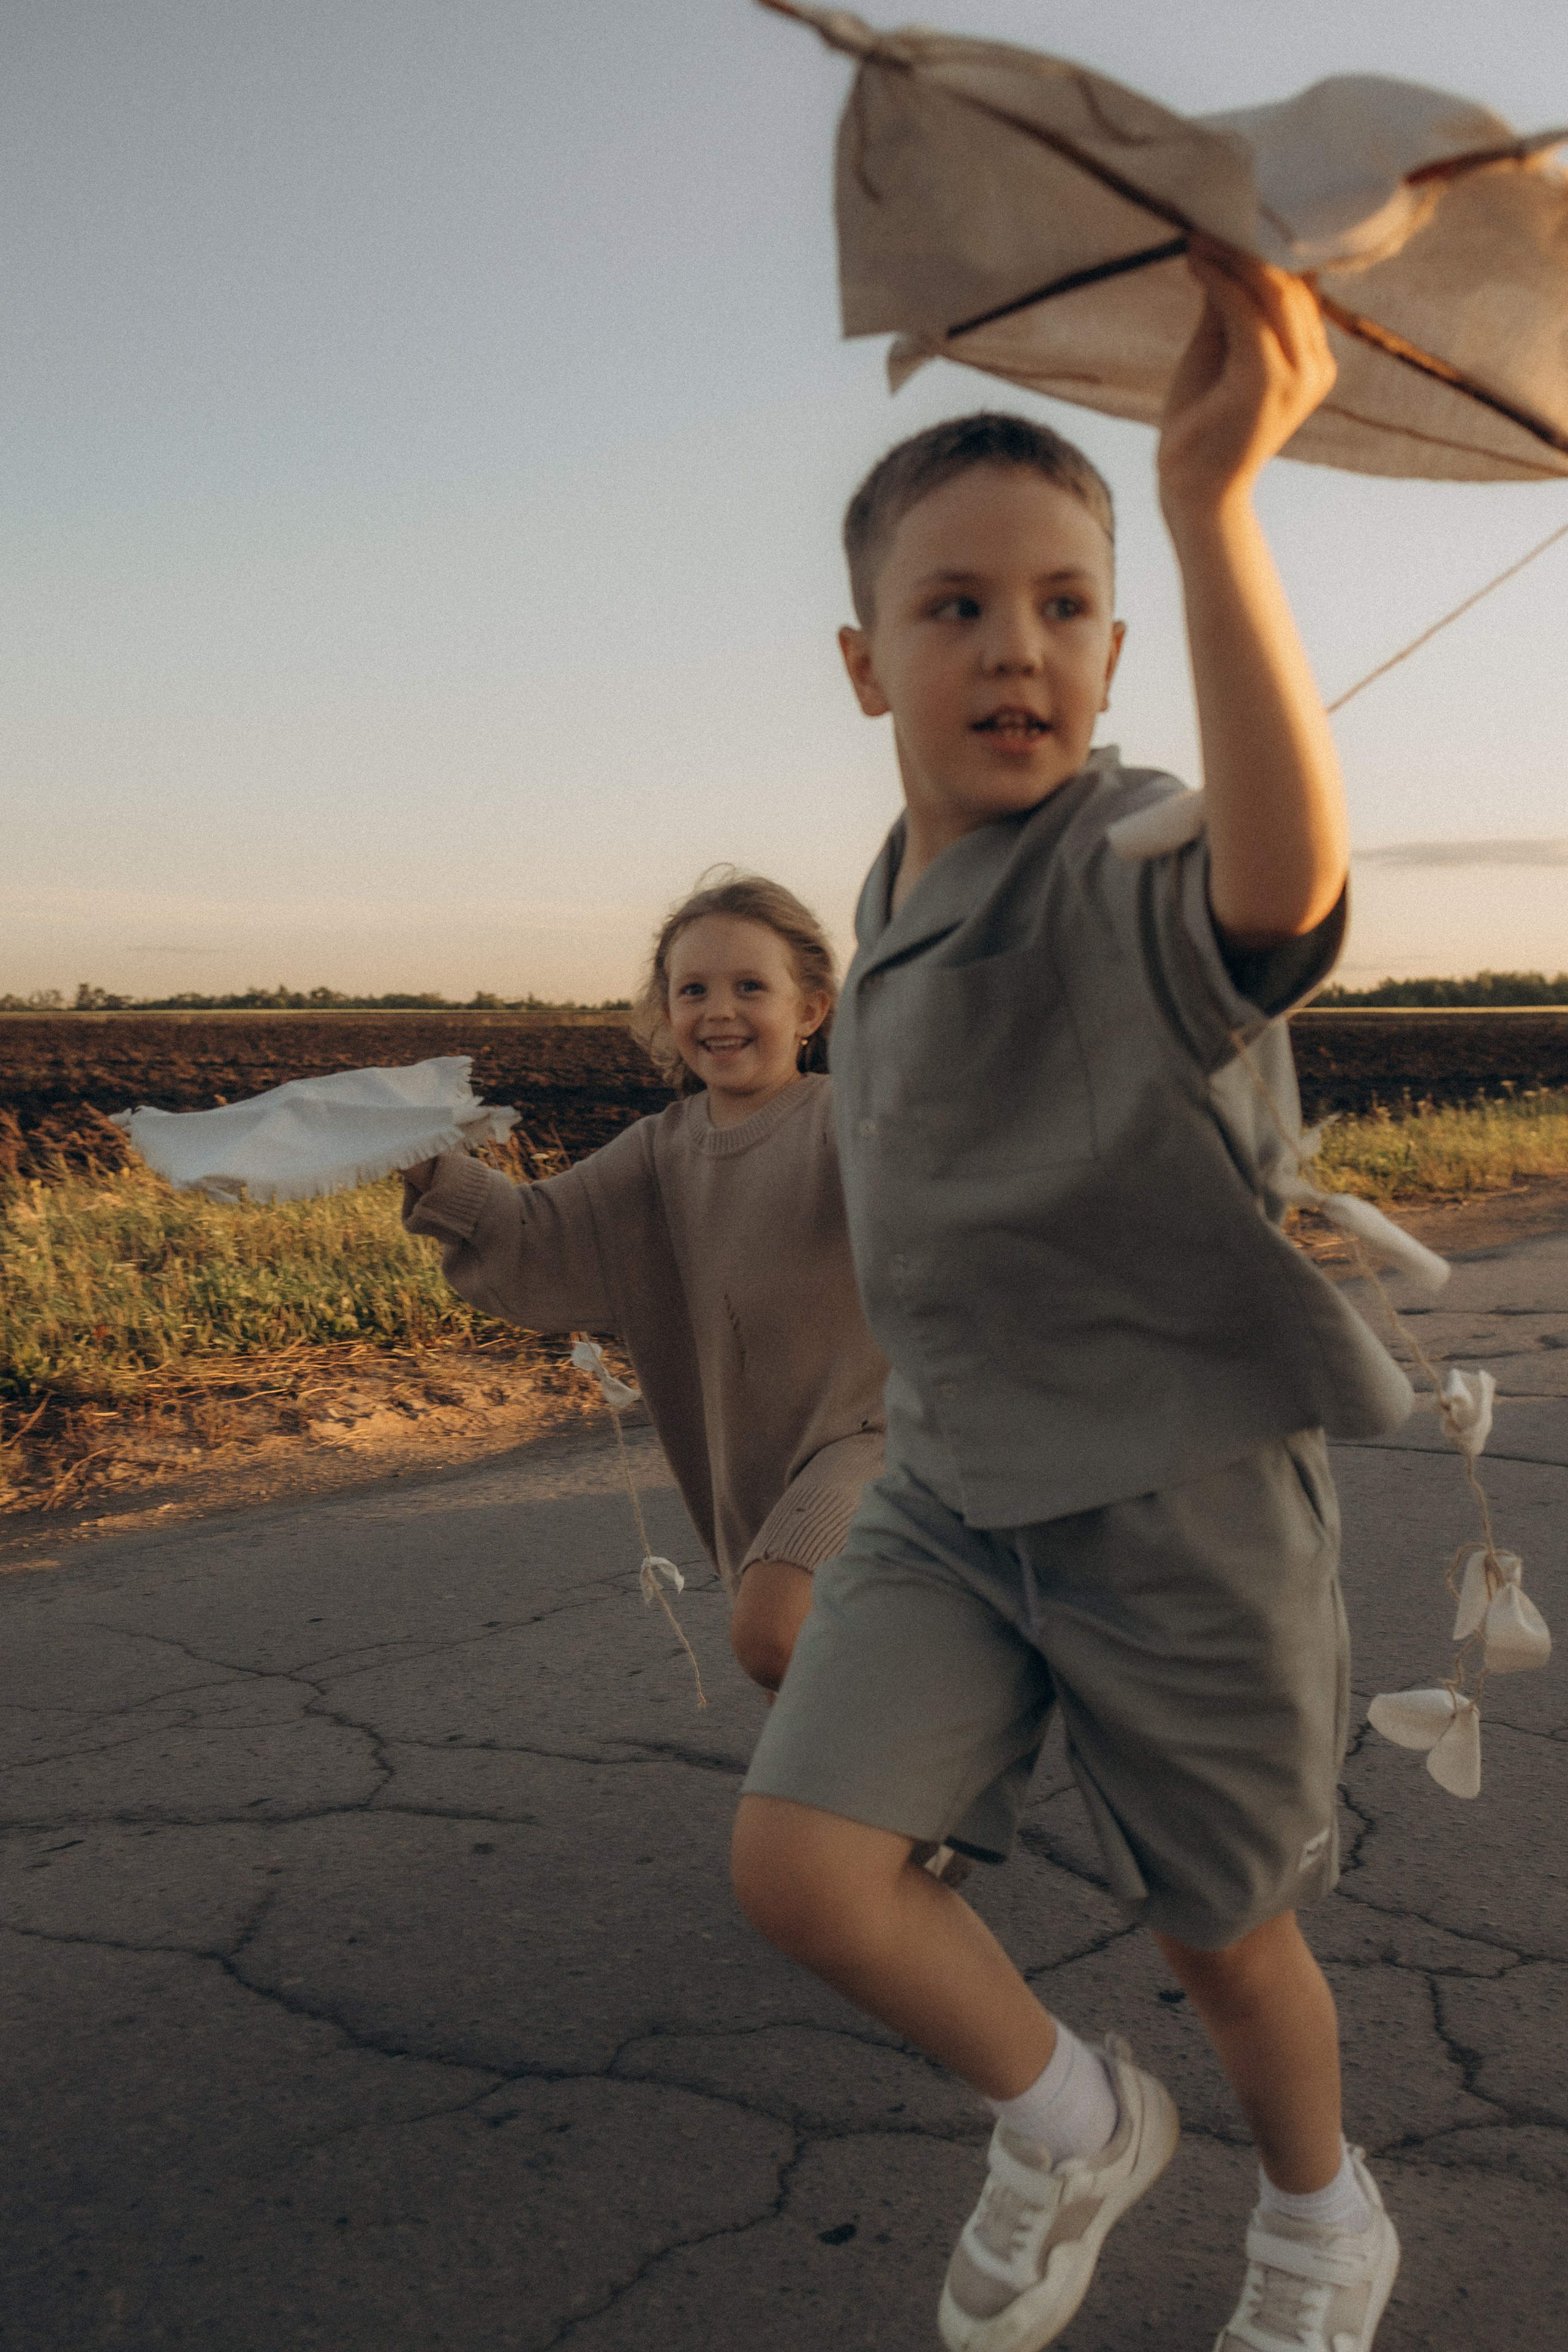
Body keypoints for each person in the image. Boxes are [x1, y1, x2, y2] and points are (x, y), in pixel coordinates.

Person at [729, 243, 1413, 2352]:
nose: (1014, 647)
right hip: (954, 1490)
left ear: (1119, 652)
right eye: (957, 608)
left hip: (1175, 1506)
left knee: (1225, 1939)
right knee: (805, 1868)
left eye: (1064, 607)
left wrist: (1214, 510)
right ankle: (1067, 2121)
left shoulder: (1129, 857)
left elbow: (1278, 888)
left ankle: (1323, 2221)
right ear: (867, 662)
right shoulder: (889, 889)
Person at [401, 871, 887, 1699]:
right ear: (667, 1015)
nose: (720, 1011)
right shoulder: (657, 1154)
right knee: (806, 1708)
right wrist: (421, 1160)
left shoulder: (851, 1124)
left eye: (750, 987)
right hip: (756, 1475)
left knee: (775, 1633)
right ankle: (918, 1803)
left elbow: (961, 1211)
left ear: (810, 1010)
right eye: (693, 989)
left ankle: (944, 1733)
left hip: (884, 1446)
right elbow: (536, 1235)